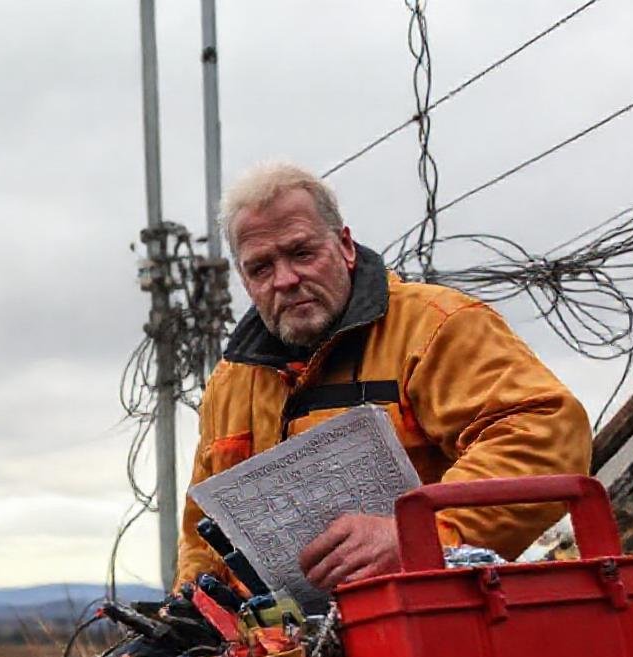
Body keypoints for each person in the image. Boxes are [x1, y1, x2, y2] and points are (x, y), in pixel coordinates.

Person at [175, 161, 592, 594]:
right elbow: (202, 534)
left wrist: (419, 535)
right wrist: (190, 610)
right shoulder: (229, 384)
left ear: (345, 246)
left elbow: (544, 435)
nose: (285, 279)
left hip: (432, 618)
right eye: (261, 267)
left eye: (302, 253)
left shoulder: (436, 328)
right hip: (283, 646)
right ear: (244, 280)